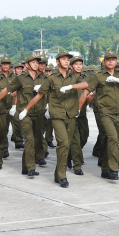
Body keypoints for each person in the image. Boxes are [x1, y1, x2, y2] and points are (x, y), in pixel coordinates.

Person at [23, 51, 89, 187]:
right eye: (63, 59)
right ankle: (62, 176)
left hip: (71, 115)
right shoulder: (51, 78)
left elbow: (85, 85)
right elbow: (39, 95)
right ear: (58, 62)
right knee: (63, 143)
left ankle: (57, 174)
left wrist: (71, 86)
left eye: (68, 60)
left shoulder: (73, 76)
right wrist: (26, 109)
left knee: (66, 146)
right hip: (57, 115)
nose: (66, 61)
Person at [79, 51, 119, 180]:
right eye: (108, 59)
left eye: (113, 59)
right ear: (104, 62)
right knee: (112, 138)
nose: (110, 61)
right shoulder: (98, 76)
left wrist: (118, 80)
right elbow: (86, 92)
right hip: (104, 112)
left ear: (116, 61)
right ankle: (113, 168)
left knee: (114, 140)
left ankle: (105, 169)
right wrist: (79, 108)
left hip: (118, 113)